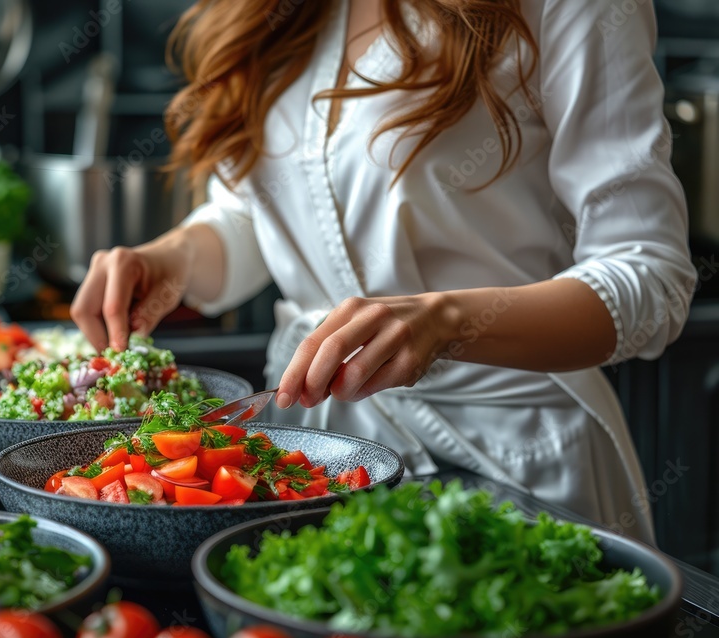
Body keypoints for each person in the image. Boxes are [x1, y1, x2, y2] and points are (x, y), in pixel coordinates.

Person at [70, 0, 696, 544]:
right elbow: (253, 212)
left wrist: (449, 321)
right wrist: (173, 258)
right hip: (312, 459)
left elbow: (651, 275)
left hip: (515, 461)